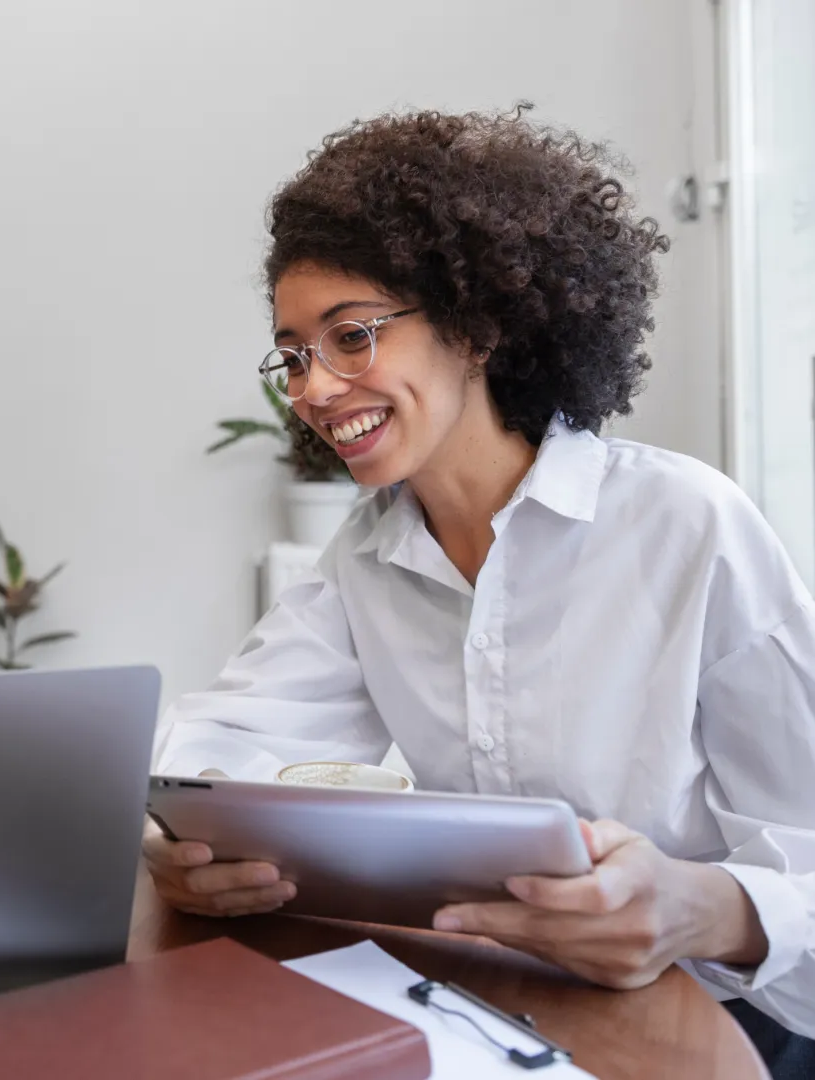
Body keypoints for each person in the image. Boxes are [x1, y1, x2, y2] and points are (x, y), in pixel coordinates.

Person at [147, 106, 815, 1077]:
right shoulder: (367, 557)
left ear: (478, 327)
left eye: (352, 336)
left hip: (717, 1024)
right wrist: (182, 844)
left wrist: (696, 908)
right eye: (294, 354)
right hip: (502, 1013)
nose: (315, 387)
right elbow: (222, 750)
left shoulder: (686, 524)